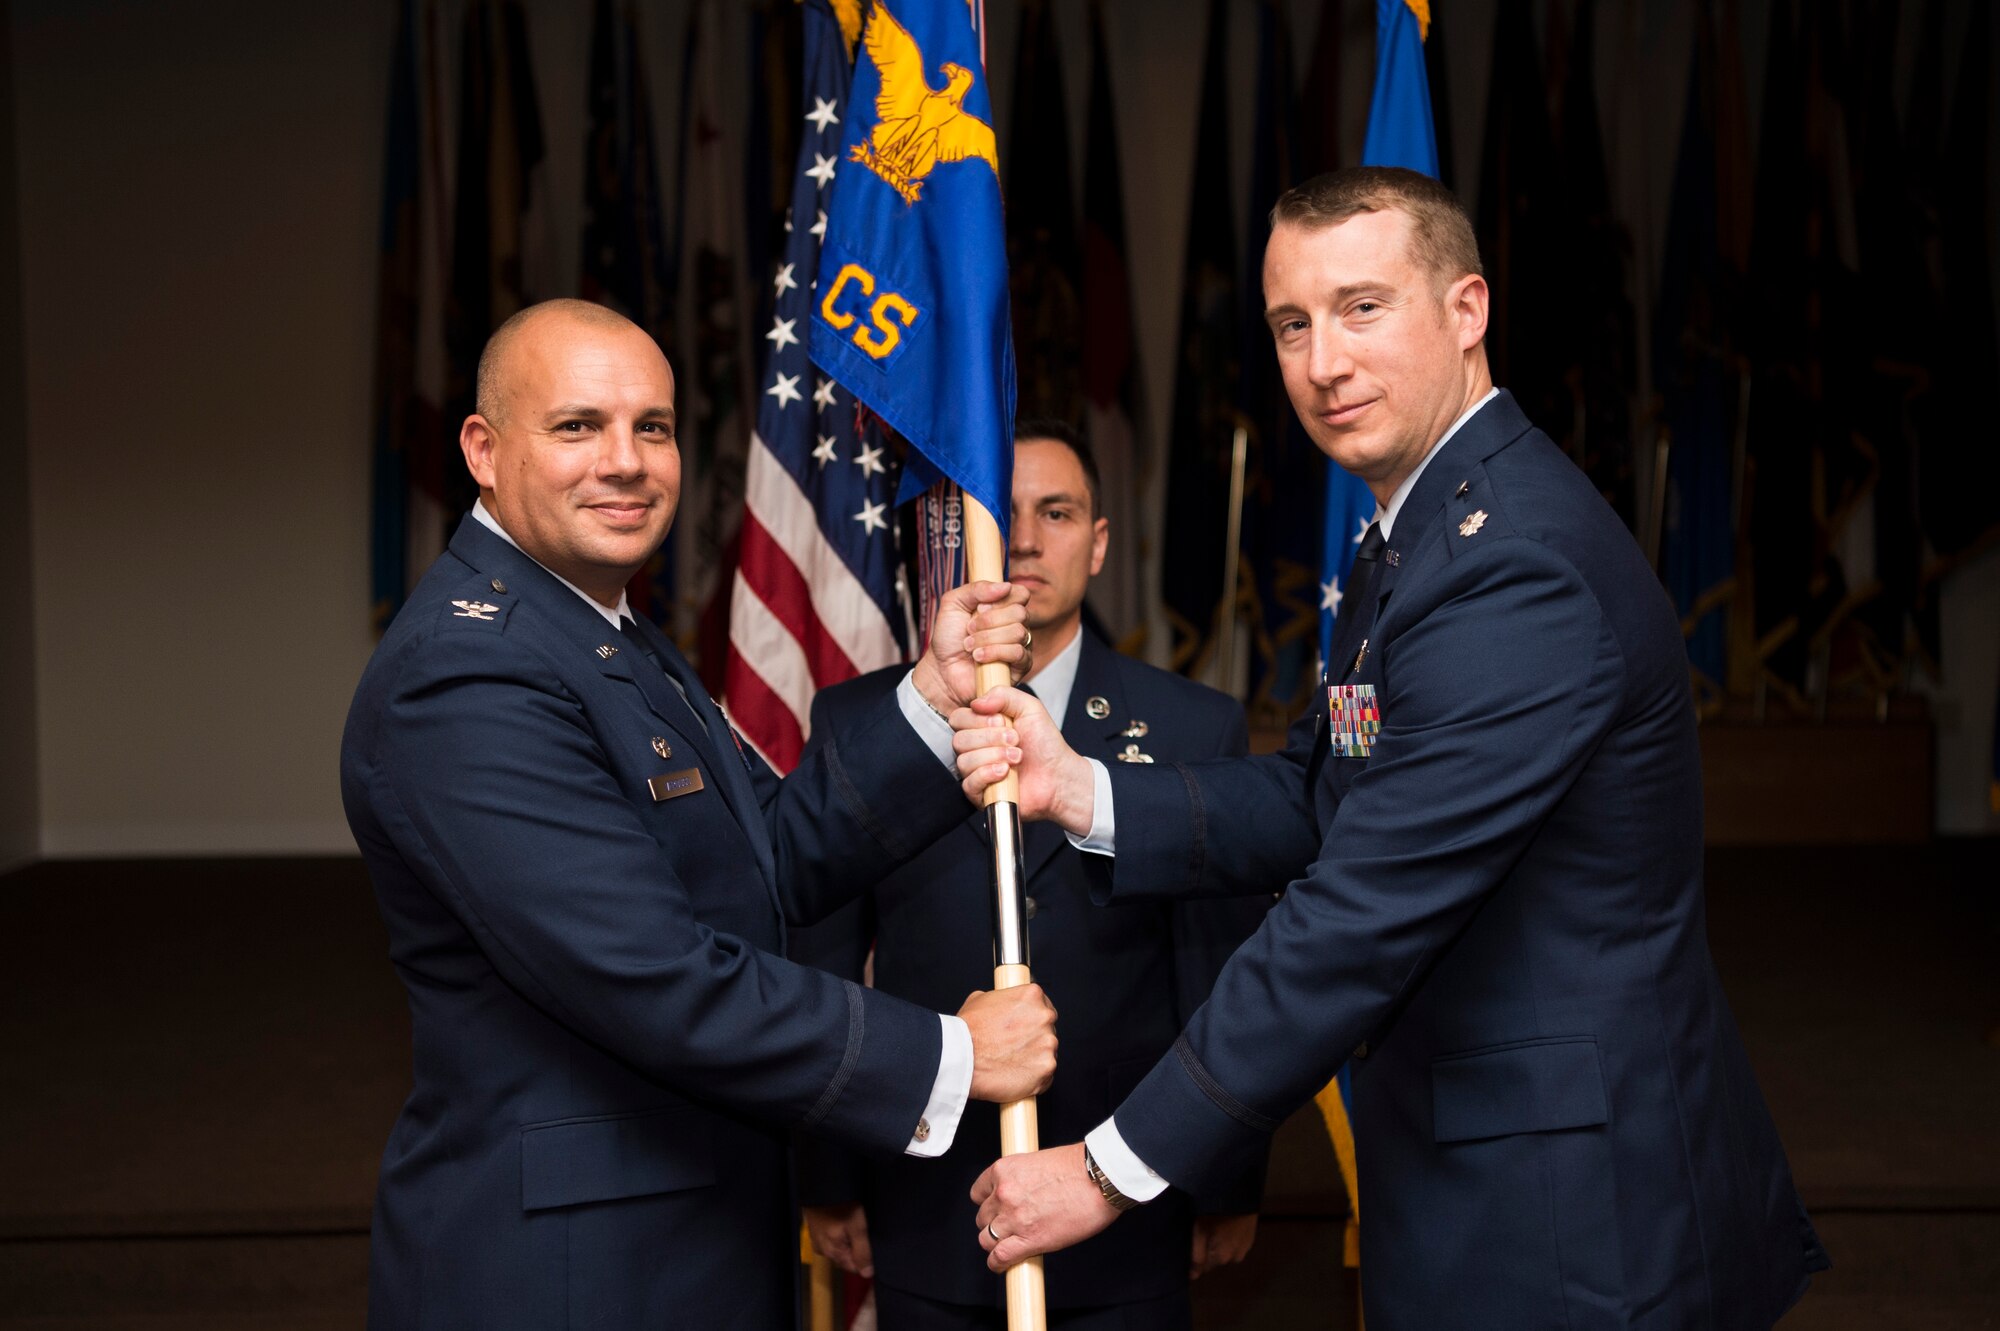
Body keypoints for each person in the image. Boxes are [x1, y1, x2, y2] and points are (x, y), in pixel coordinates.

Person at [952, 169, 1829, 1329]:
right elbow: (1328, 793)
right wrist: (1080, 788)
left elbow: (1358, 908)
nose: (1321, 362)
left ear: (1465, 311)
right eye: (1290, 324)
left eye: (1362, 307)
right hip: (1475, 1155)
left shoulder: (1509, 566)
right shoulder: (1412, 534)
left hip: (1569, 1211)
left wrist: (1112, 1163)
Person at [341, 298, 1058, 1330]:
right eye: (578, 426)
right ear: (483, 450)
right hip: (569, 1274)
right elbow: (649, 974)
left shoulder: (602, 630)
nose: (626, 461)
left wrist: (932, 699)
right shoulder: (466, 674)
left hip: (682, 1227)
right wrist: (950, 1054)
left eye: (654, 427)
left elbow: (766, 855)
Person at [791, 421, 1268, 1330]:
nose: (1024, 537)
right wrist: (827, 1176)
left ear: (1096, 542)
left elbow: (1221, 978)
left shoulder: (1193, 728)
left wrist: (1224, 1177)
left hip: (1130, 1196)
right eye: (997, 513)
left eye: (1057, 512)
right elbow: (821, 957)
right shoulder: (866, 721)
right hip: (929, 1202)